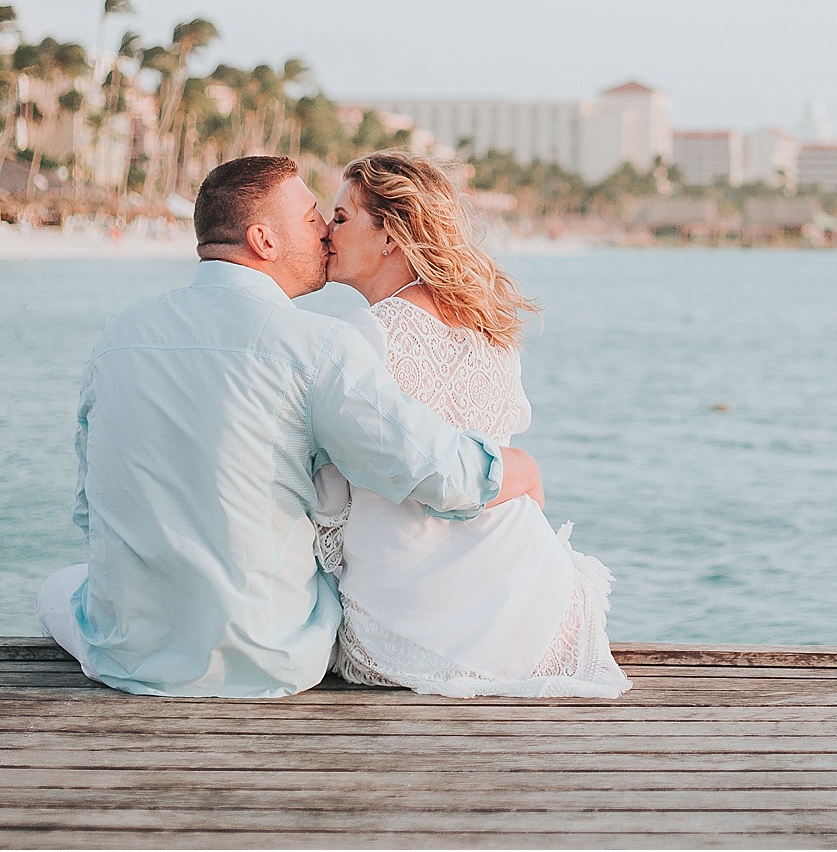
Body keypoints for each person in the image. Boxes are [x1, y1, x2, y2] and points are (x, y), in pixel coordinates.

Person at [35, 155, 543, 698]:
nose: (324, 232)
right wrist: (519, 468)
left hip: (129, 654)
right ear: (264, 240)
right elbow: (438, 472)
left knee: (56, 588)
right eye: (310, 219)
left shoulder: (119, 334)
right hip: (272, 659)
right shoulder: (319, 345)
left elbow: (90, 503)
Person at [316, 151, 629, 697]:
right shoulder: (487, 329)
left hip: (414, 611)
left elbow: (329, 494)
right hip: (528, 599)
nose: (326, 231)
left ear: (391, 235)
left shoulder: (362, 334)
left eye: (341, 218)